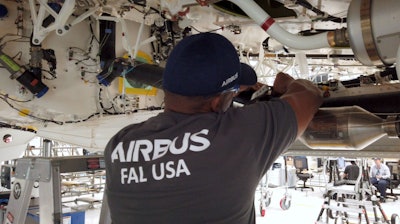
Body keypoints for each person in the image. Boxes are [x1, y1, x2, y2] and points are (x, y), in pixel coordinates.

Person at [104, 32, 323, 224]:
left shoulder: (119, 145)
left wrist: (231, 92)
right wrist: (284, 84)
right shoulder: (242, 133)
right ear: (218, 102)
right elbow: (309, 94)